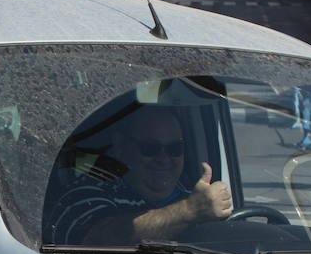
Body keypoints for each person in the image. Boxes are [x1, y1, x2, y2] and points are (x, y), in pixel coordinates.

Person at [45, 104, 233, 244]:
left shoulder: (191, 197)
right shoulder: (83, 195)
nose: (164, 159)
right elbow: (102, 239)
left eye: (175, 148)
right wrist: (190, 210)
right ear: (120, 147)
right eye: (150, 148)